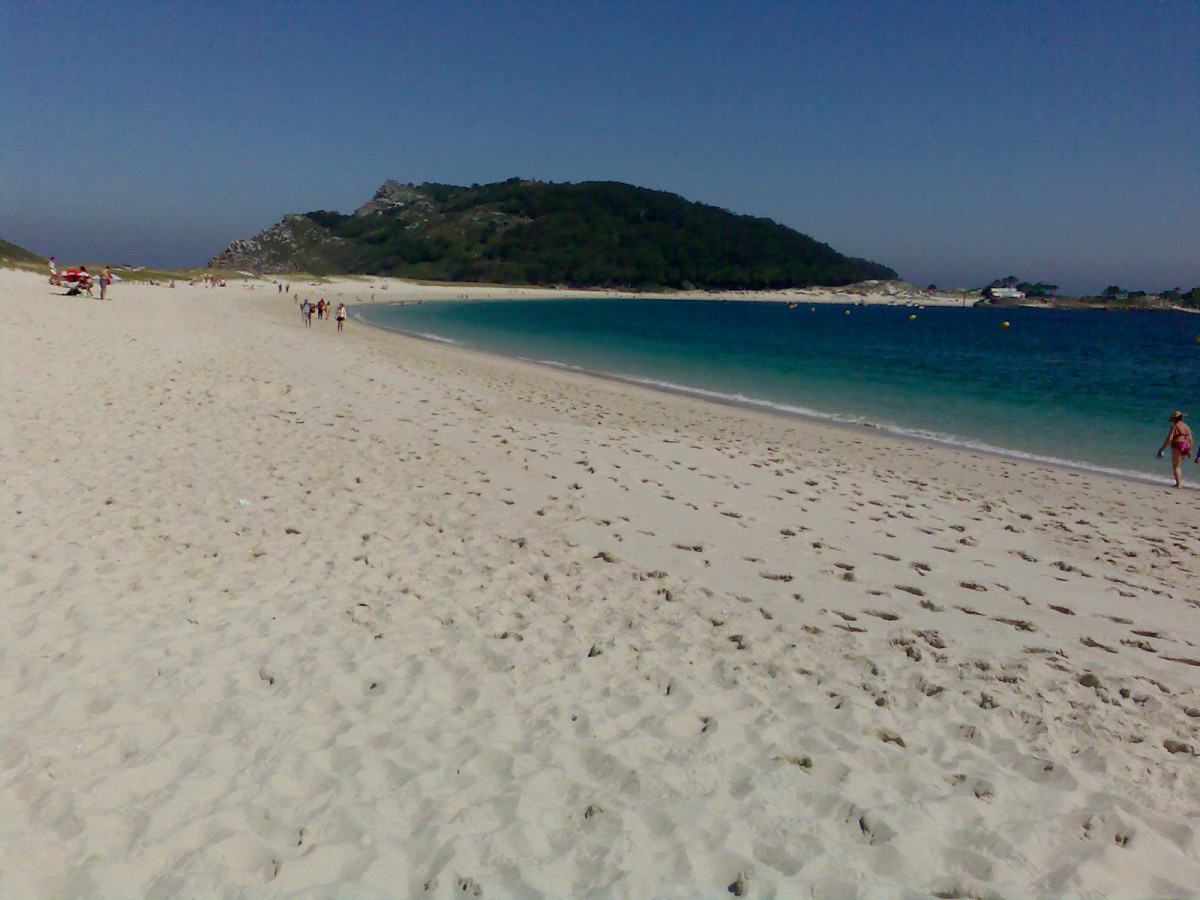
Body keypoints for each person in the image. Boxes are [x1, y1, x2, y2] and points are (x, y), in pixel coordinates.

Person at [1157, 411, 1193, 489]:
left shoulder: (1174, 426)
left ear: (1174, 419)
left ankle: (1178, 484)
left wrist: (1162, 448)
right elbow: (1191, 439)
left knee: (1176, 466)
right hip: (1186, 446)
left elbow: (1169, 438)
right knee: (1178, 465)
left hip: (1178, 445)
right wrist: (1190, 450)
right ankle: (1179, 483)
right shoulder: (1186, 426)